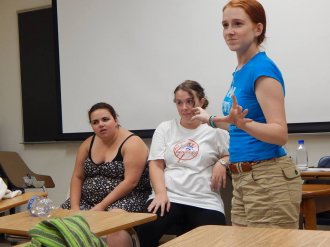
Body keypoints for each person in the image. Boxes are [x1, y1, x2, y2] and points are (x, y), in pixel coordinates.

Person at [192, 0, 302, 229]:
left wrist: (243, 125)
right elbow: (237, 124)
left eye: (238, 24)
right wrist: (209, 118)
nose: (229, 31)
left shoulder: (261, 69)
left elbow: (280, 133)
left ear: (258, 29)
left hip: (267, 178)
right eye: (225, 25)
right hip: (243, 178)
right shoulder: (240, 71)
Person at [136, 80, 229, 247]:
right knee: (146, 228)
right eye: (179, 102)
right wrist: (160, 193)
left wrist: (222, 162)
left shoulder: (216, 131)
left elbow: (236, 152)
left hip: (204, 199)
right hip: (170, 195)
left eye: (189, 101)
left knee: (216, 240)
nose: (184, 108)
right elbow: (156, 164)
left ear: (201, 101)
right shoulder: (165, 128)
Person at [61, 102, 151, 247]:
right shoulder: (87, 144)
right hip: (88, 200)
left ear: (115, 119)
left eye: (105, 119)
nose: (101, 125)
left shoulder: (133, 143)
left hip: (126, 198)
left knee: (114, 227)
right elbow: (78, 176)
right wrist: (75, 208)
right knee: (58, 224)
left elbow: (131, 182)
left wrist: (101, 206)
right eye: (95, 122)